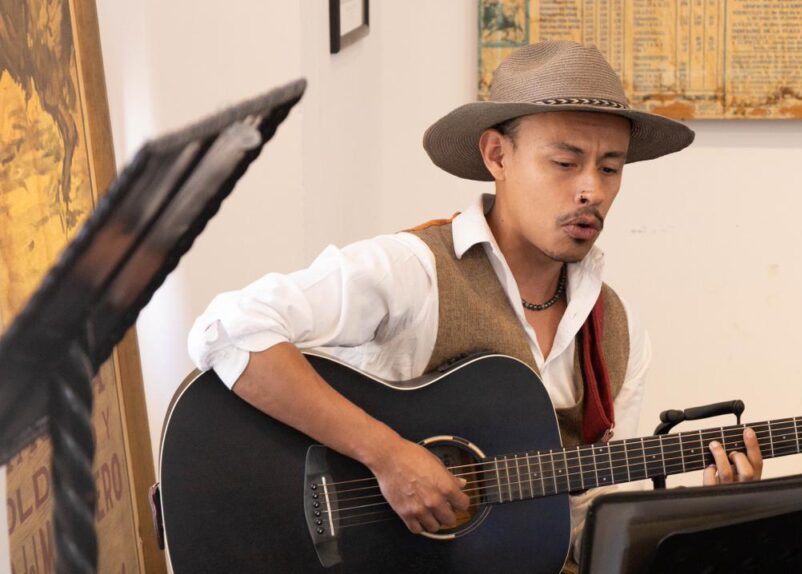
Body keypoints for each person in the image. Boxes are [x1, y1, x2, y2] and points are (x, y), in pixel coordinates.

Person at [187, 40, 763, 571]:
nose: (592, 189)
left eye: (610, 168)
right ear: (497, 155)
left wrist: (695, 517)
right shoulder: (414, 271)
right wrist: (386, 454)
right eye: (565, 163)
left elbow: (581, 528)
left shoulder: (618, 330)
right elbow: (228, 329)